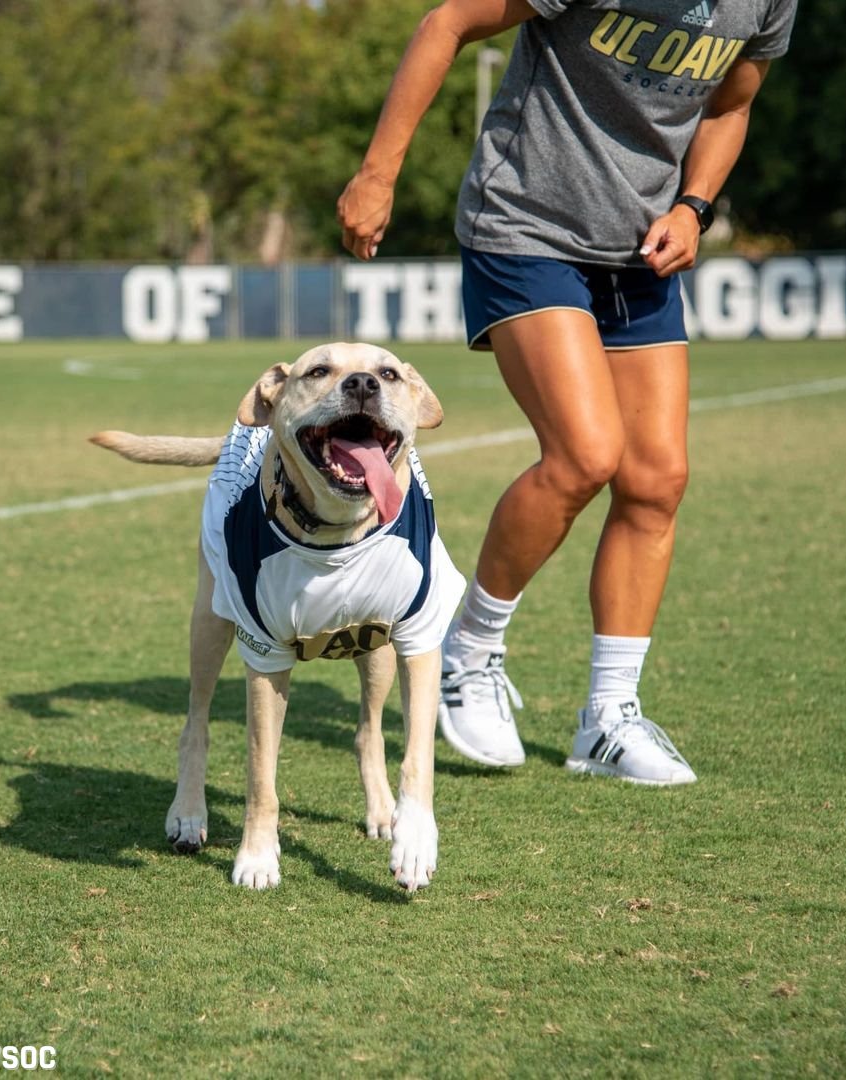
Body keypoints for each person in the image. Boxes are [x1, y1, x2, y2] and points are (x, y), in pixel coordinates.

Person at [337, 0, 797, 783]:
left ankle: (609, 720)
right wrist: (378, 172)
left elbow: (734, 102)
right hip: (526, 226)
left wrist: (694, 206)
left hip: (641, 247)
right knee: (586, 453)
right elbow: (447, 21)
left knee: (656, 480)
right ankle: (468, 651)